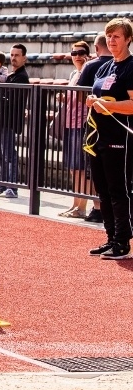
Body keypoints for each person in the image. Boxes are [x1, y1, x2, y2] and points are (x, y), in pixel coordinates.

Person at [84, 18, 133, 259]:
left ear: (128, 39)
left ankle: (123, 242)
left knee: (118, 190)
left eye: (117, 37)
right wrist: (93, 101)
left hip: (121, 138)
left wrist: (110, 107)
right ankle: (111, 237)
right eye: (109, 36)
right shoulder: (105, 67)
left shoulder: (131, 67)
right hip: (98, 137)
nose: (112, 41)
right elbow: (96, 93)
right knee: (103, 190)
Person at [56, 40, 98, 219]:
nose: (77, 57)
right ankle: (76, 204)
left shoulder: (87, 72)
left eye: (81, 53)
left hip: (81, 123)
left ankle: (81, 206)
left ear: (88, 55)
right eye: (74, 54)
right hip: (70, 122)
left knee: (80, 168)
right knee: (74, 168)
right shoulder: (74, 73)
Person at [77, 33, 112, 223]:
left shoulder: (92, 66)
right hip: (102, 126)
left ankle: (99, 209)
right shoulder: (107, 66)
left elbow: (81, 95)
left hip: (97, 125)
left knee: (99, 171)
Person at [0, 44, 30, 199]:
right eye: (12, 54)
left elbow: (12, 99)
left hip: (10, 120)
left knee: (9, 154)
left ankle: (12, 187)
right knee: (3, 154)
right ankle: (2, 184)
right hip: (4, 119)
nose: (13, 58)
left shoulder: (21, 77)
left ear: (24, 58)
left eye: (17, 55)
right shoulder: (12, 75)